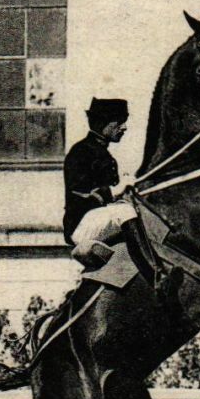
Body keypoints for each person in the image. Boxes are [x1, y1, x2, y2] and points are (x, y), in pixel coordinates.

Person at [64, 97, 167, 289]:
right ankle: (156, 274)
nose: (124, 127)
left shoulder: (103, 154)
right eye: (119, 122)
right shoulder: (80, 152)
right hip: (79, 226)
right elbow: (80, 196)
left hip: (96, 221)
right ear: (104, 123)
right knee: (124, 211)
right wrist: (115, 191)